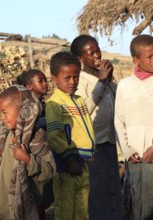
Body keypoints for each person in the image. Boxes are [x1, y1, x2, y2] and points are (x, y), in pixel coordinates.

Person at [114, 34, 153, 220]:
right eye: (149, 57)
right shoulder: (125, 86)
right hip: (133, 158)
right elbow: (119, 121)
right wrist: (126, 150)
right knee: (134, 206)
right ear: (136, 60)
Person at [0, 85, 55, 220]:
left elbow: (49, 171)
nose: (2, 118)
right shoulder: (4, 133)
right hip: (1, 199)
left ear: (24, 111)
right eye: (0, 113)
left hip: (27, 203)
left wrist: (28, 160)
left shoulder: (38, 137)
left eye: (5, 113)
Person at [71, 35, 122, 220]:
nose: (96, 55)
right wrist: (101, 83)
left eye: (97, 50)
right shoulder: (79, 83)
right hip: (92, 149)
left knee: (112, 191)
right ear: (80, 59)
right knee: (97, 196)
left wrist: (108, 79)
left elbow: (119, 103)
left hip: (108, 143)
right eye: (90, 53)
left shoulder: (105, 79)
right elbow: (83, 111)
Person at [46, 51, 95, 220]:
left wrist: (90, 149)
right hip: (67, 164)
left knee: (82, 211)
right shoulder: (55, 103)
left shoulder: (79, 100)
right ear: (54, 79)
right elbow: (54, 136)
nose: (73, 82)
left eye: (76, 77)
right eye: (67, 78)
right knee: (65, 210)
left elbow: (86, 127)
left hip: (82, 162)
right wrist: (69, 160)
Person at [17, 69, 53, 218]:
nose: (46, 84)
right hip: (29, 157)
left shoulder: (44, 107)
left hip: (42, 158)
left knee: (41, 202)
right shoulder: (25, 109)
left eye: (45, 80)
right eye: (41, 81)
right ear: (29, 86)